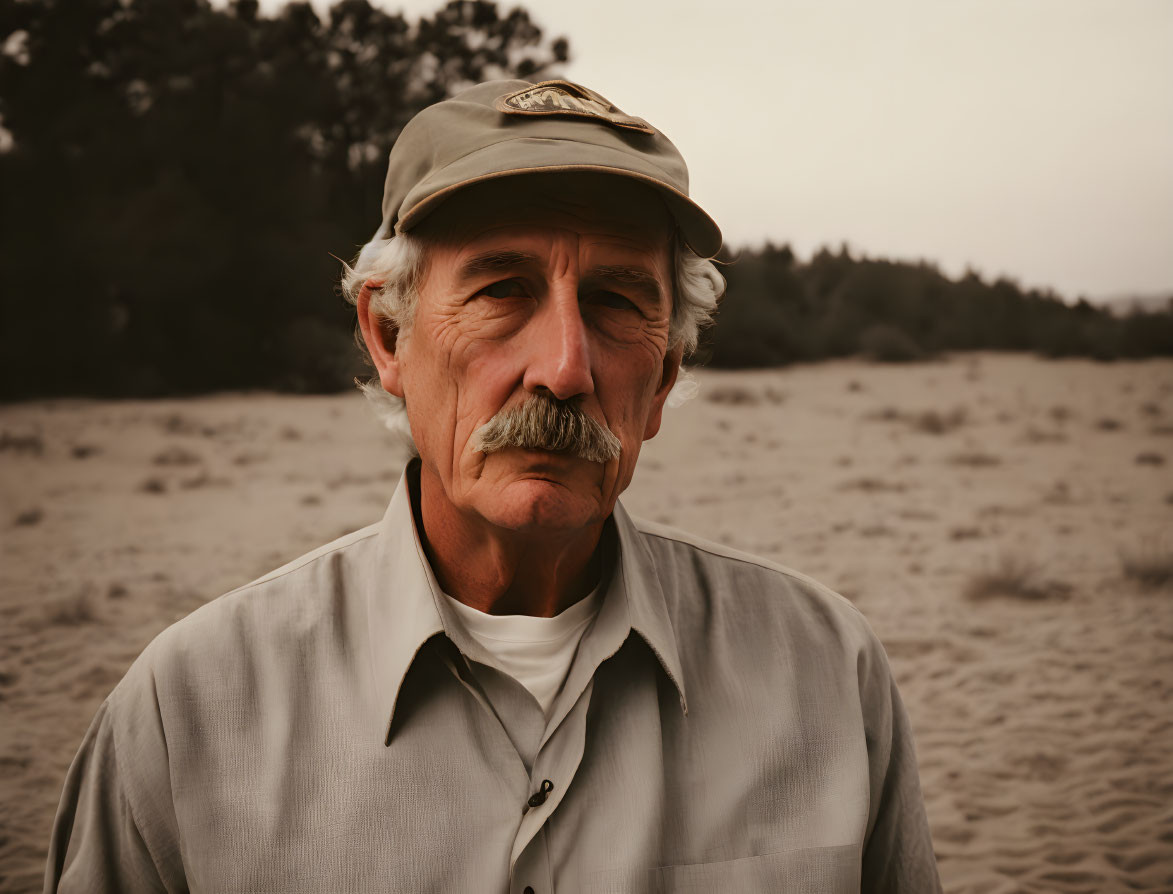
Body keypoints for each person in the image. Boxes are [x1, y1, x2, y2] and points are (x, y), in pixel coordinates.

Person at [45, 78, 941, 893]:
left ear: (664, 375)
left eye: (618, 302)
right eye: (500, 289)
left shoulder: (826, 674)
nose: (562, 367)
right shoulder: (188, 713)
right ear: (389, 338)